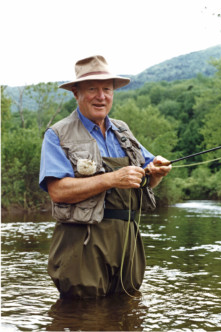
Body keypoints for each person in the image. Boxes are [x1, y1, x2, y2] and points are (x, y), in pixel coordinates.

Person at [39, 55, 172, 299]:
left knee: (127, 310)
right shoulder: (57, 134)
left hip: (127, 240)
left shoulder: (122, 130)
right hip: (83, 243)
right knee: (84, 315)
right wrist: (110, 179)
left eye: (107, 89)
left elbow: (148, 176)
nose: (101, 96)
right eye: (92, 89)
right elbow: (58, 190)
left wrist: (158, 170)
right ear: (76, 93)